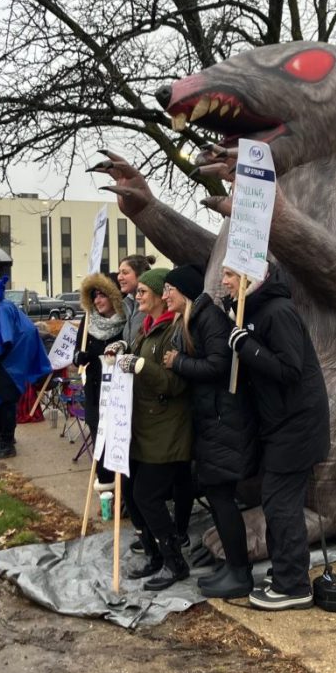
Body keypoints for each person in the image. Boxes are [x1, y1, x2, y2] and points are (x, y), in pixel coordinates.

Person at [221, 265, 330, 611]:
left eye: (230, 274)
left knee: (281, 505)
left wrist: (247, 346)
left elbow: (289, 369)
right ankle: (285, 569)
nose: (224, 281)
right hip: (279, 425)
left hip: (296, 426)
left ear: (250, 278)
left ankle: (294, 585)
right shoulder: (254, 311)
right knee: (275, 501)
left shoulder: (279, 311)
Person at [162, 264, 257, 598]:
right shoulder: (193, 319)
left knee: (220, 496)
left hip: (223, 421)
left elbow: (220, 366)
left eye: (168, 289)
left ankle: (240, 573)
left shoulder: (208, 319)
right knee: (217, 497)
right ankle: (233, 568)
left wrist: (179, 363)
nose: (164, 296)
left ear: (184, 290)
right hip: (211, 420)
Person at [113, 267, 193, 591]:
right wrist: (122, 353)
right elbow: (136, 359)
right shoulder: (146, 329)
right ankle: (154, 555)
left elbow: (177, 383)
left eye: (144, 292)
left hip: (167, 430)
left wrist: (142, 366)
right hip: (144, 427)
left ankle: (175, 562)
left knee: (147, 495)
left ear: (161, 296)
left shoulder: (174, 331)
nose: (138, 296)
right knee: (133, 495)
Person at [0, 276, 53, 459]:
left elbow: (2, 339)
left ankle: (6, 444)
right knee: (0, 405)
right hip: (5, 367)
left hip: (4, 368)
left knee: (4, 405)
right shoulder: (2, 309)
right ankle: (2, 440)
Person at [72, 273, 126, 491]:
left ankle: (123, 493)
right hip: (95, 396)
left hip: (119, 395)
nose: (97, 301)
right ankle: (106, 489)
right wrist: (79, 357)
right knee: (100, 445)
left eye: (102, 295)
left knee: (119, 446)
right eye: (94, 296)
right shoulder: (88, 321)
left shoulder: (125, 322)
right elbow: (77, 351)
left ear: (114, 297)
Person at [117, 253, 157, 346]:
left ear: (140, 275)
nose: (119, 277)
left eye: (125, 273)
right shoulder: (128, 304)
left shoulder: (152, 306)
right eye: (119, 272)